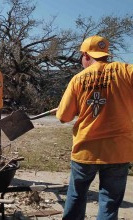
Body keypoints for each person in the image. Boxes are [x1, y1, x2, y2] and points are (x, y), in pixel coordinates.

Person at [56, 35, 133, 220]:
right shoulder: (125, 71)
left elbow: (63, 117)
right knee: (109, 200)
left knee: (76, 196)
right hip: (118, 151)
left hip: (86, 150)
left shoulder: (78, 80)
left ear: (86, 55)